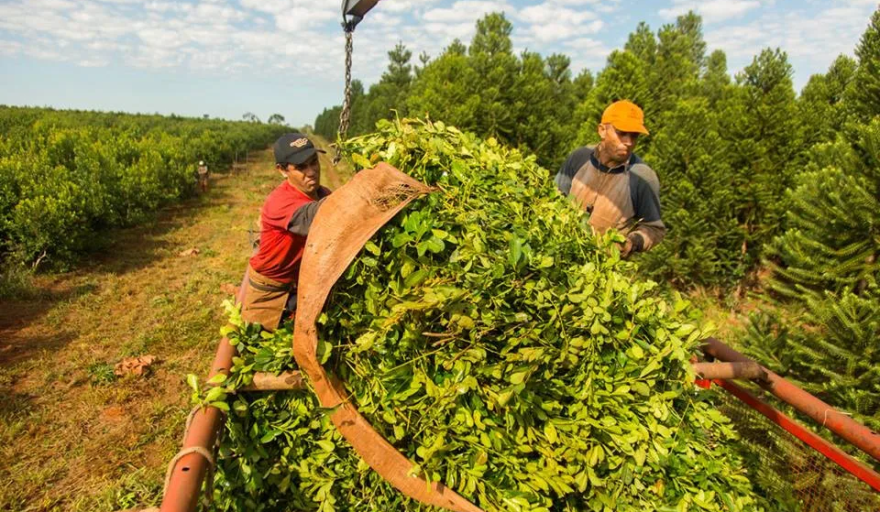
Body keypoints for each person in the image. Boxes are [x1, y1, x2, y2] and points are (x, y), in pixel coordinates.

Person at [241, 133, 331, 330]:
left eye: (314, 162)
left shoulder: (323, 194)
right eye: (301, 167)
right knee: (260, 347)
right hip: (270, 292)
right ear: (282, 170)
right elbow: (320, 216)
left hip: (299, 285)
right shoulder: (281, 202)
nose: (311, 171)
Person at [555, 100, 666, 258]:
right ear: (602, 130)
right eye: (621, 133)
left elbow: (655, 228)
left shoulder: (643, 177)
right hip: (561, 257)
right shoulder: (579, 158)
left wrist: (633, 242)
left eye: (634, 136)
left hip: (602, 269)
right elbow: (553, 199)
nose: (628, 142)